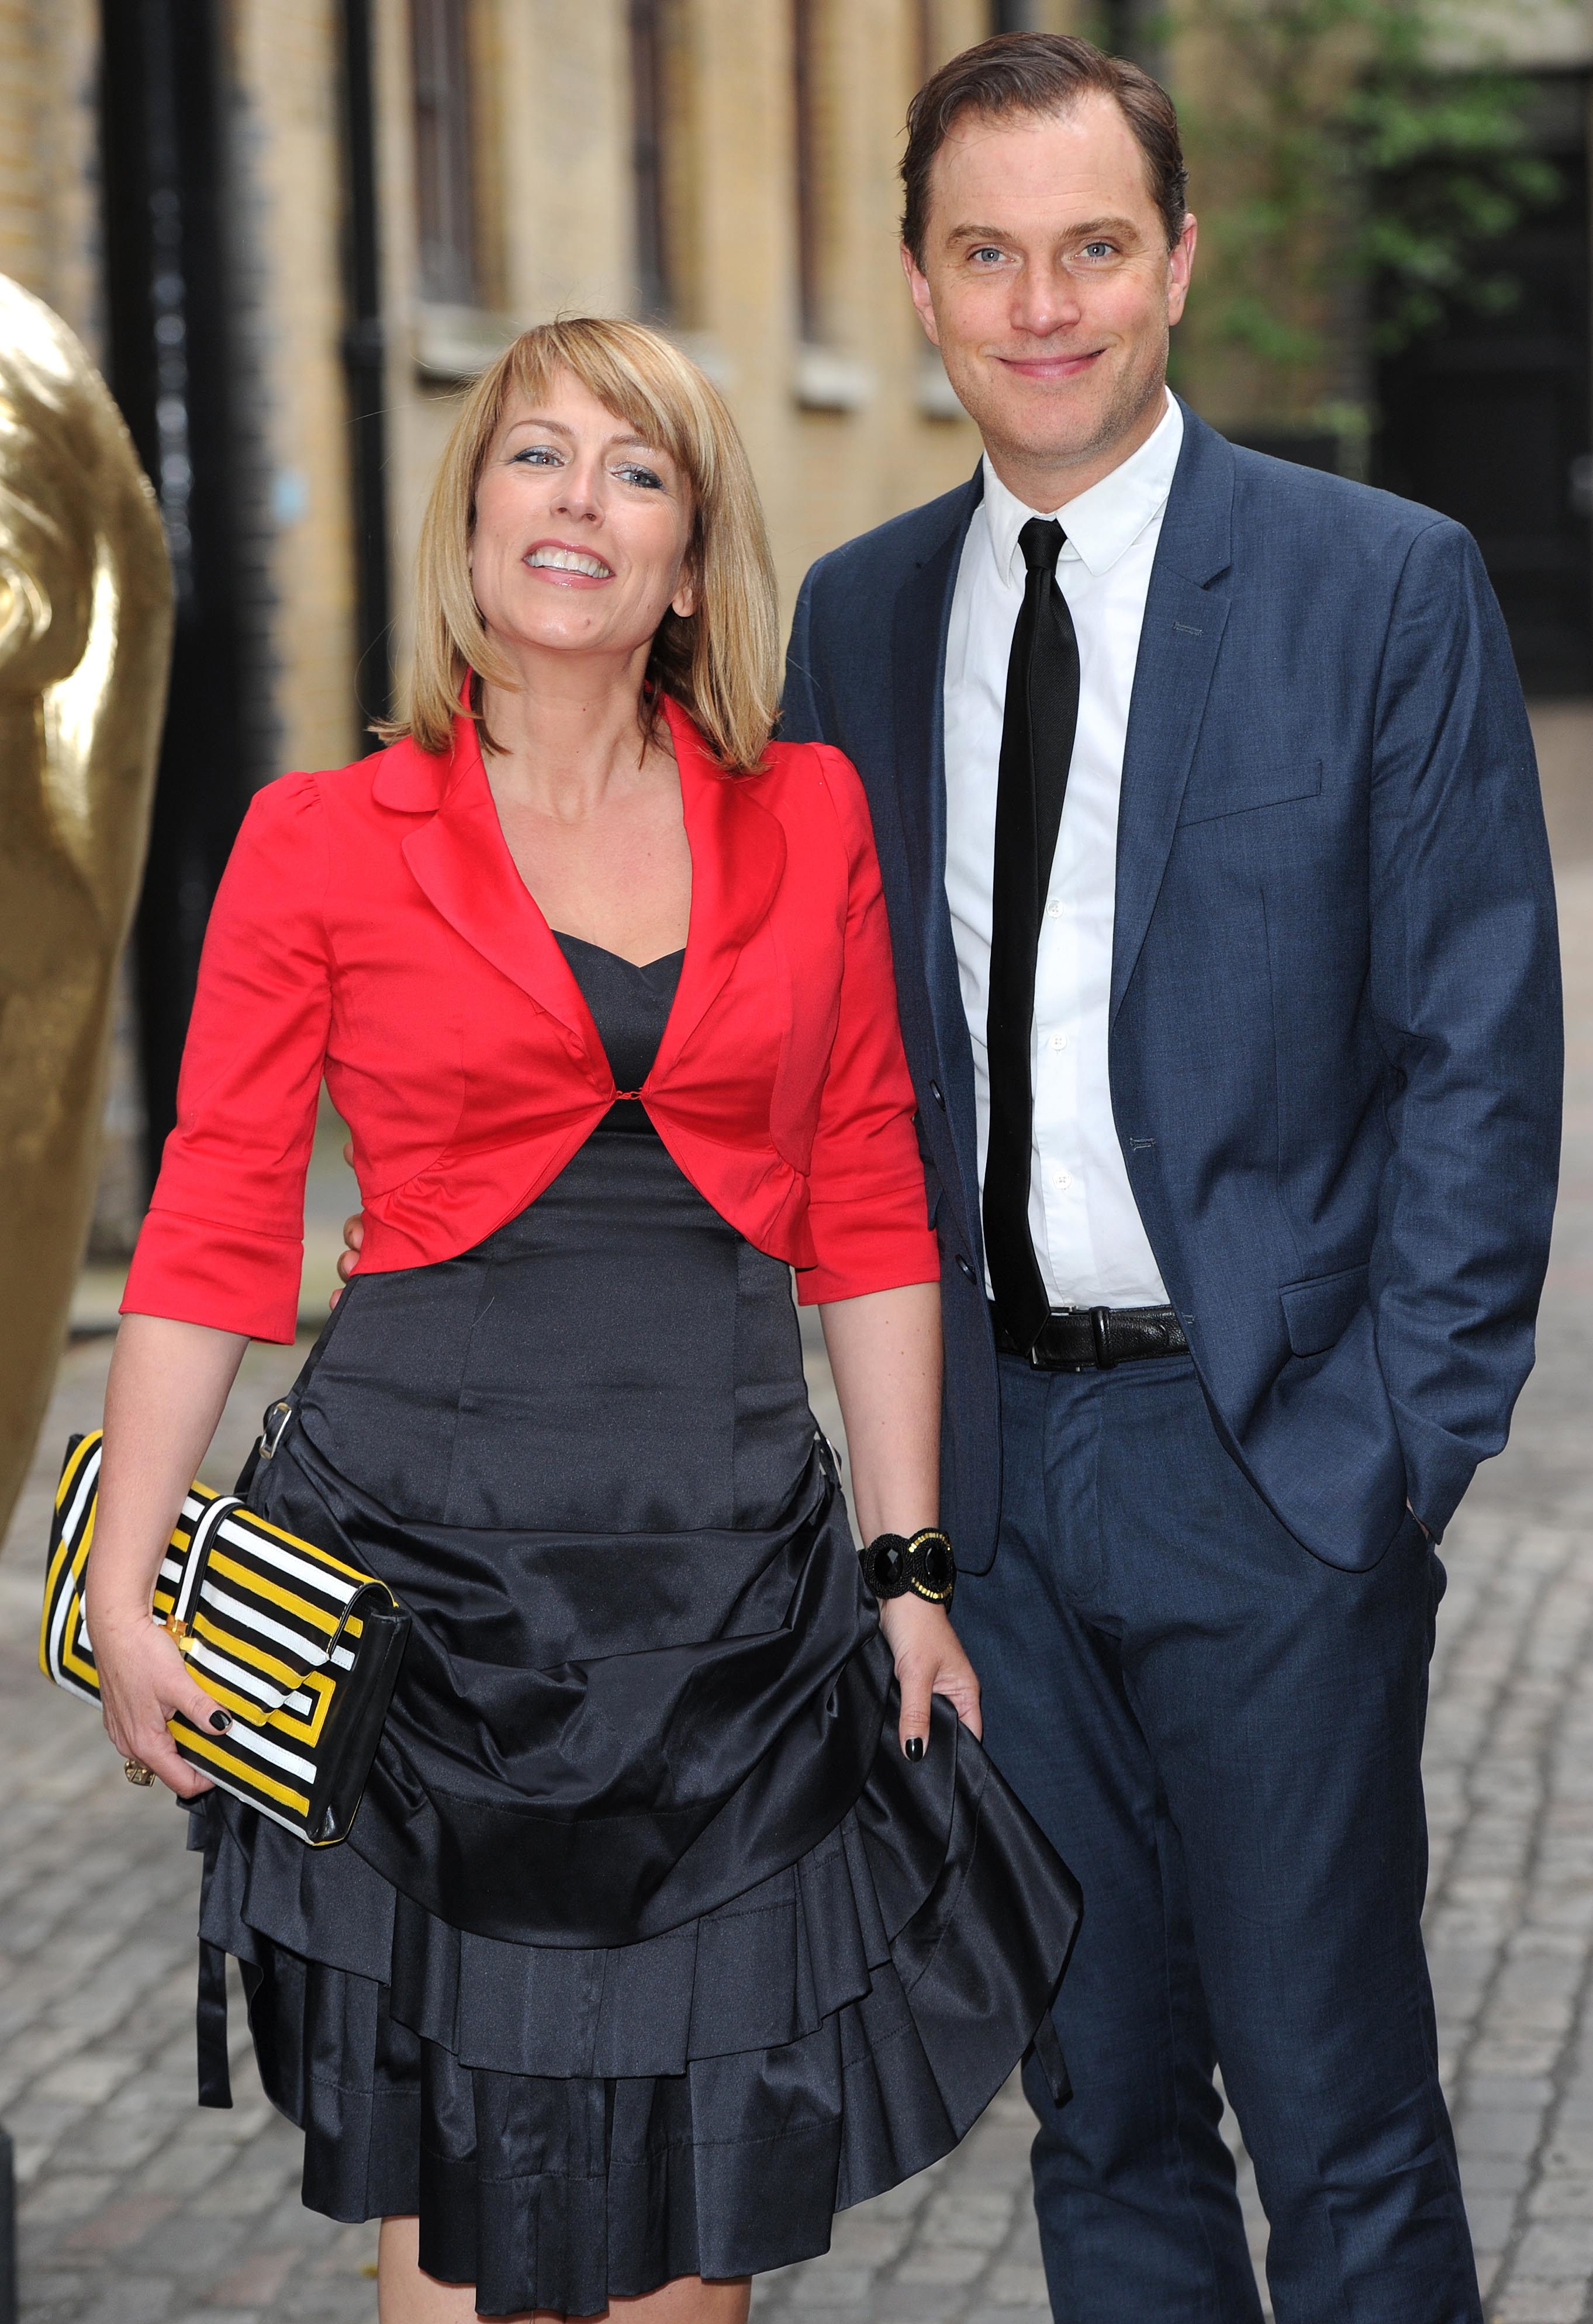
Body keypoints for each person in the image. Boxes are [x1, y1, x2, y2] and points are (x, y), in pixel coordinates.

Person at [85, 317, 1079, 2324]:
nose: (580, 504)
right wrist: (127, 1584)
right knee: (455, 2191)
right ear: (471, 529)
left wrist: (909, 1577)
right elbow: (211, 1213)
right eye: (536, 458)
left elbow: (874, 1197)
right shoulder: (316, 839)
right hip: (420, 1600)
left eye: (637, 474)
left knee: (687, 2216)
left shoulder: (808, 818)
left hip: (721, 1612)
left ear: (690, 562)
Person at [778, 30, 1563, 2324]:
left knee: (1336, 2126)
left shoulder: (1375, 583)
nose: (1044, 305)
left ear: (1180, 263)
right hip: (992, 1484)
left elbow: (1476, 1056)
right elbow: (833, 1066)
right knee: (1100, 2111)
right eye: (987, 253)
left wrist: (1376, 1457)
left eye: (1093, 248)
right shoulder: (859, 615)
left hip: (1266, 1470)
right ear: (917, 286)